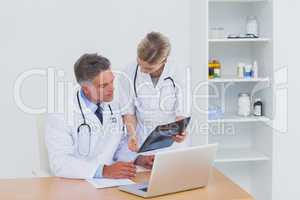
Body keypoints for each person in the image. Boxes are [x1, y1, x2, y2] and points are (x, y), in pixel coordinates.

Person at [45, 53, 153, 179]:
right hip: (77, 184)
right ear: (86, 89)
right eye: (103, 86)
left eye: (112, 81)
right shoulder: (60, 114)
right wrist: (103, 171)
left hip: (110, 183)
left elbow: (119, 144)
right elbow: (60, 163)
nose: (112, 89)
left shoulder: (114, 105)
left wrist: (138, 159)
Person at [119, 32, 190, 155]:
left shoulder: (179, 71)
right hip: (141, 139)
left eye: (148, 68)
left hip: (171, 142)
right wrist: (132, 135)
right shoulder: (128, 72)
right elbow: (128, 112)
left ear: (164, 61)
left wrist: (181, 132)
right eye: (139, 63)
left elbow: (182, 111)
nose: (142, 70)